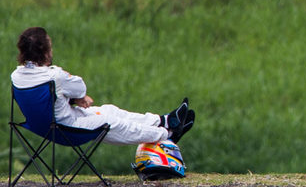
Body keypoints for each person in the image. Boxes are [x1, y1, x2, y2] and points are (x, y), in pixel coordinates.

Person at [11, 27, 194, 145]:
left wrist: (72, 98)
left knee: (109, 110)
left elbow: (43, 100)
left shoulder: (16, 76)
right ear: (45, 50)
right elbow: (80, 87)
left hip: (43, 126)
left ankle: (164, 120)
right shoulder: (54, 76)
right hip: (65, 128)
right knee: (110, 122)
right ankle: (166, 135)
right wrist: (78, 97)